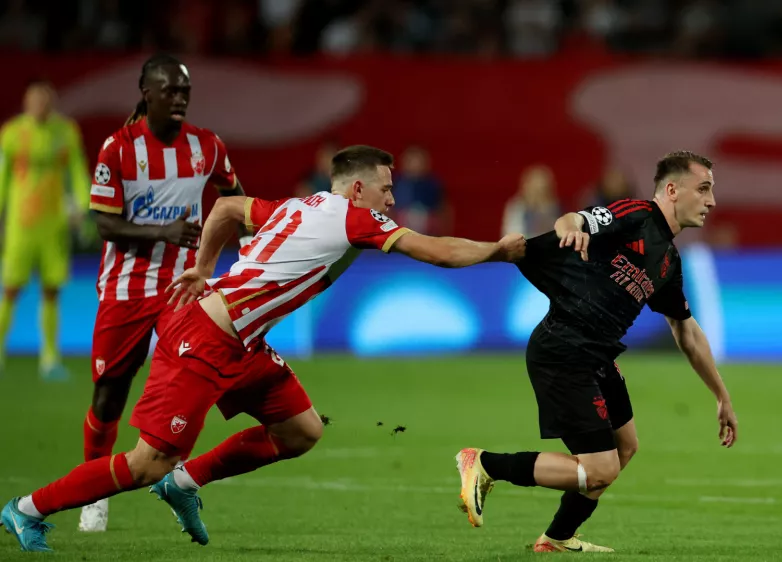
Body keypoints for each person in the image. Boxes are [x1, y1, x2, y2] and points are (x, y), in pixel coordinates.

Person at [0, 145, 526, 552]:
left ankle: (186, 482)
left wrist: (206, 266)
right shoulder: (350, 216)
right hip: (203, 340)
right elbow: (435, 251)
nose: (392, 200)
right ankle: (27, 509)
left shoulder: (300, 206)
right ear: (359, 188)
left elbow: (228, 206)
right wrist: (501, 251)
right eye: (386, 190)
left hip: (242, 342)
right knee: (145, 463)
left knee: (301, 430)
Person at [454, 151, 738, 553]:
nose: (711, 201)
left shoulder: (669, 262)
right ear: (672, 190)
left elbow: (686, 331)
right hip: (564, 348)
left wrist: (721, 395)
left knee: (625, 448)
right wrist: (572, 228)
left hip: (597, 355)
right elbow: (574, 219)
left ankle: (557, 538)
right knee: (598, 470)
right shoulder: (637, 215)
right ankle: (484, 464)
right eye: (704, 189)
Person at [78, 53, 252, 533]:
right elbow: (103, 222)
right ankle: (94, 492)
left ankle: (178, 478)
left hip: (184, 287)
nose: (179, 99)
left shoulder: (207, 146)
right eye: (170, 91)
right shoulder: (118, 148)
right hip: (126, 290)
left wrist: (247, 248)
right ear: (146, 93)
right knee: (109, 395)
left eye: (185, 92)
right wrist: (164, 233)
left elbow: (233, 195)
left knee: (195, 380)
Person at [0, 80, 90, 380]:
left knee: (52, 291)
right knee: (11, 290)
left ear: (51, 103)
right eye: (33, 100)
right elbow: (2, 178)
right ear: (26, 103)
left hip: (54, 226)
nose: (39, 105)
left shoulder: (65, 132)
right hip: (20, 226)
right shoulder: (11, 134)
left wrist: (82, 203)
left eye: (44, 100)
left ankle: (49, 359)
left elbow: (77, 169)